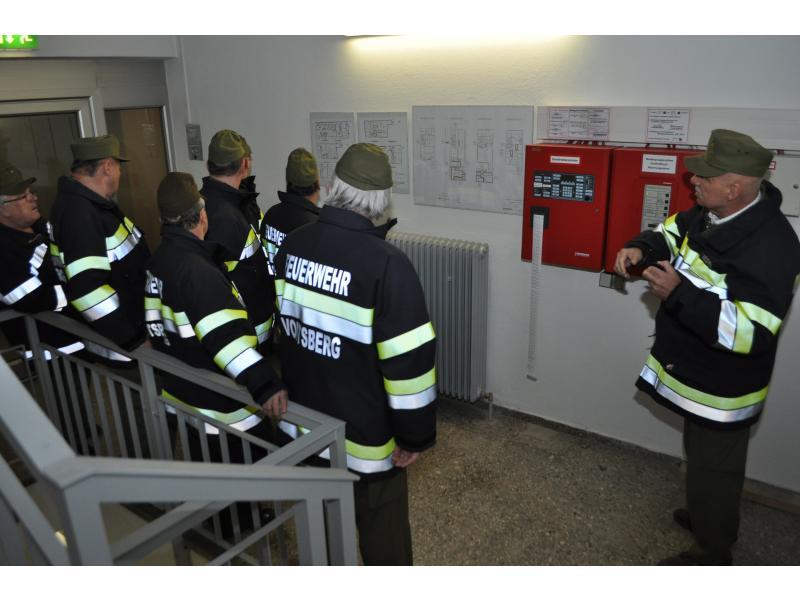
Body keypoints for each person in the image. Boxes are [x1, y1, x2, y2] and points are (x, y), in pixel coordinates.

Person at [614, 129, 800, 565]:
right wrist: (640, 247)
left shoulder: (774, 247)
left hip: (723, 389)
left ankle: (713, 553)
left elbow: (751, 333)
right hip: (695, 370)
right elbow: (668, 232)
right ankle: (706, 516)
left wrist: (678, 294)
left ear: (734, 188)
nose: (693, 180)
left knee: (715, 469)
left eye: (704, 176)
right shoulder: (709, 214)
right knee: (701, 461)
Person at [273, 143, 437, 565]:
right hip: (366, 446)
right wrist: (414, 437)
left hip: (308, 432)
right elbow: (409, 368)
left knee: (325, 538)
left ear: (333, 187)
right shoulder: (388, 265)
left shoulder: (293, 246)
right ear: (383, 200)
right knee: (384, 544)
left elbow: (283, 329)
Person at [144, 172, 287, 454]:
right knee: (261, 469)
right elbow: (226, 339)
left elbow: (154, 325)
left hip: (182, 397)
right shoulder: (197, 271)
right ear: (202, 215)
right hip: (222, 413)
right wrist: (266, 384)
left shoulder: (159, 259)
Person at [49, 134, 150, 358]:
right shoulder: (79, 213)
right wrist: (134, 339)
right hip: (124, 349)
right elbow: (88, 291)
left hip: (128, 339)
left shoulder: (91, 206)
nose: (120, 174)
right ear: (107, 167)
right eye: (118, 167)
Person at [199, 130, 274, 350]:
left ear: (209, 165)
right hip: (246, 336)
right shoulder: (229, 217)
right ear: (244, 164)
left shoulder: (203, 204)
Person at [0, 163, 84, 358]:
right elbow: (30, 298)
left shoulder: (40, 225)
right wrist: (81, 289)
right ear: (3, 209)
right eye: (23, 196)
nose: (33, 198)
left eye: (31, 192)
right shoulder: (3, 249)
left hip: (78, 338)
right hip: (51, 354)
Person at [260, 147, 321, 275]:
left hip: (270, 286)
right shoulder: (315, 227)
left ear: (288, 181)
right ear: (317, 183)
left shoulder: (271, 214)